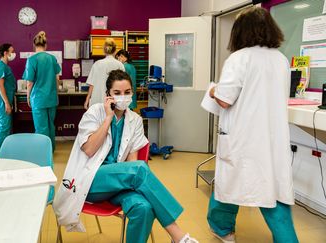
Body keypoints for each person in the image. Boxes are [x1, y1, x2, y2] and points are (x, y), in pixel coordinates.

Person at [53, 70, 198, 243]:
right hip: (90, 182)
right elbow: (89, 149)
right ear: (108, 95)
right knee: (138, 170)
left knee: (143, 207)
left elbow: (132, 161)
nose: (123, 96)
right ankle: (177, 235)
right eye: (117, 93)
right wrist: (108, 118)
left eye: (127, 92)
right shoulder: (94, 113)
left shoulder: (135, 120)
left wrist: (141, 189)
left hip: (118, 184)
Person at [208, 7, 299, 243]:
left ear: (240, 32)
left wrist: (213, 89)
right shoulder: (280, 60)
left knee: (230, 184)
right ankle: (285, 238)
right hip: (270, 138)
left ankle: (223, 229)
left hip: (243, 139)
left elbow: (224, 100)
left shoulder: (239, 58)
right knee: (272, 191)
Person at [23, 31, 61, 152]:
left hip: (38, 99)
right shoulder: (52, 58)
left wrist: (28, 97)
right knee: (50, 125)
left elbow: (29, 82)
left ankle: (42, 152)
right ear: (46, 45)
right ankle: (51, 149)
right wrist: (55, 93)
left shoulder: (32, 60)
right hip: (51, 98)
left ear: (34, 45)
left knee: (41, 127)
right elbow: (57, 79)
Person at [84, 38, 125, 109]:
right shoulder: (120, 65)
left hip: (97, 102)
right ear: (115, 51)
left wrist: (87, 100)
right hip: (113, 101)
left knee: (97, 119)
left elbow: (92, 84)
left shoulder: (97, 64)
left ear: (104, 51)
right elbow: (123, 85)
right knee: (111, 119)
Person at [0, 43, 16, 158]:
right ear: (6, 53)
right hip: (3, 102)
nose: (13, 53)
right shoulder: (1, 66)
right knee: (3, 128)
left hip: (5, 100)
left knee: (6, 128)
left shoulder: (4, 66)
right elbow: (0, 86)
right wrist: (6, 103)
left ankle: (4, 154)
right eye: (12, 51)